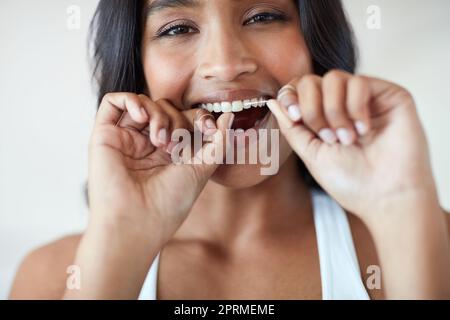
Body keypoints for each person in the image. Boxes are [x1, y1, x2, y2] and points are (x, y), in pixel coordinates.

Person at [9, 0, 450, 300]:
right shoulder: (52, 278)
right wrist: (118, 245)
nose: (225, 63)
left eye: (262, 16)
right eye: (177, 27)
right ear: (137, 71)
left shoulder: (422, 236)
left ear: (316, 45)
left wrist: (403, 210)